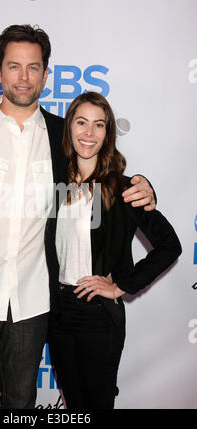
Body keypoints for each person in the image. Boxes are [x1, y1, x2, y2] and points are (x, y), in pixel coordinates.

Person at [0, 25, 156, 409]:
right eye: (14, 66)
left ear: (46, 74)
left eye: (33, 67)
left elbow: (105, 177)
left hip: (32, 300)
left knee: (21, 405)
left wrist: (146, 189)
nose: (24, 77)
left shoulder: (63, 135)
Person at [46, 91, 182, 410]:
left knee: (97, 403)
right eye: (81, 123)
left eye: (99, 125)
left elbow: (169, 245)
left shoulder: (121, 189)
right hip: (56, 311)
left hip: (96, 312)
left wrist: (122, 285)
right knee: (74, 403)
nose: (89, 133)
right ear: (68, 128)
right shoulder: (53, 183)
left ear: (108, 134)